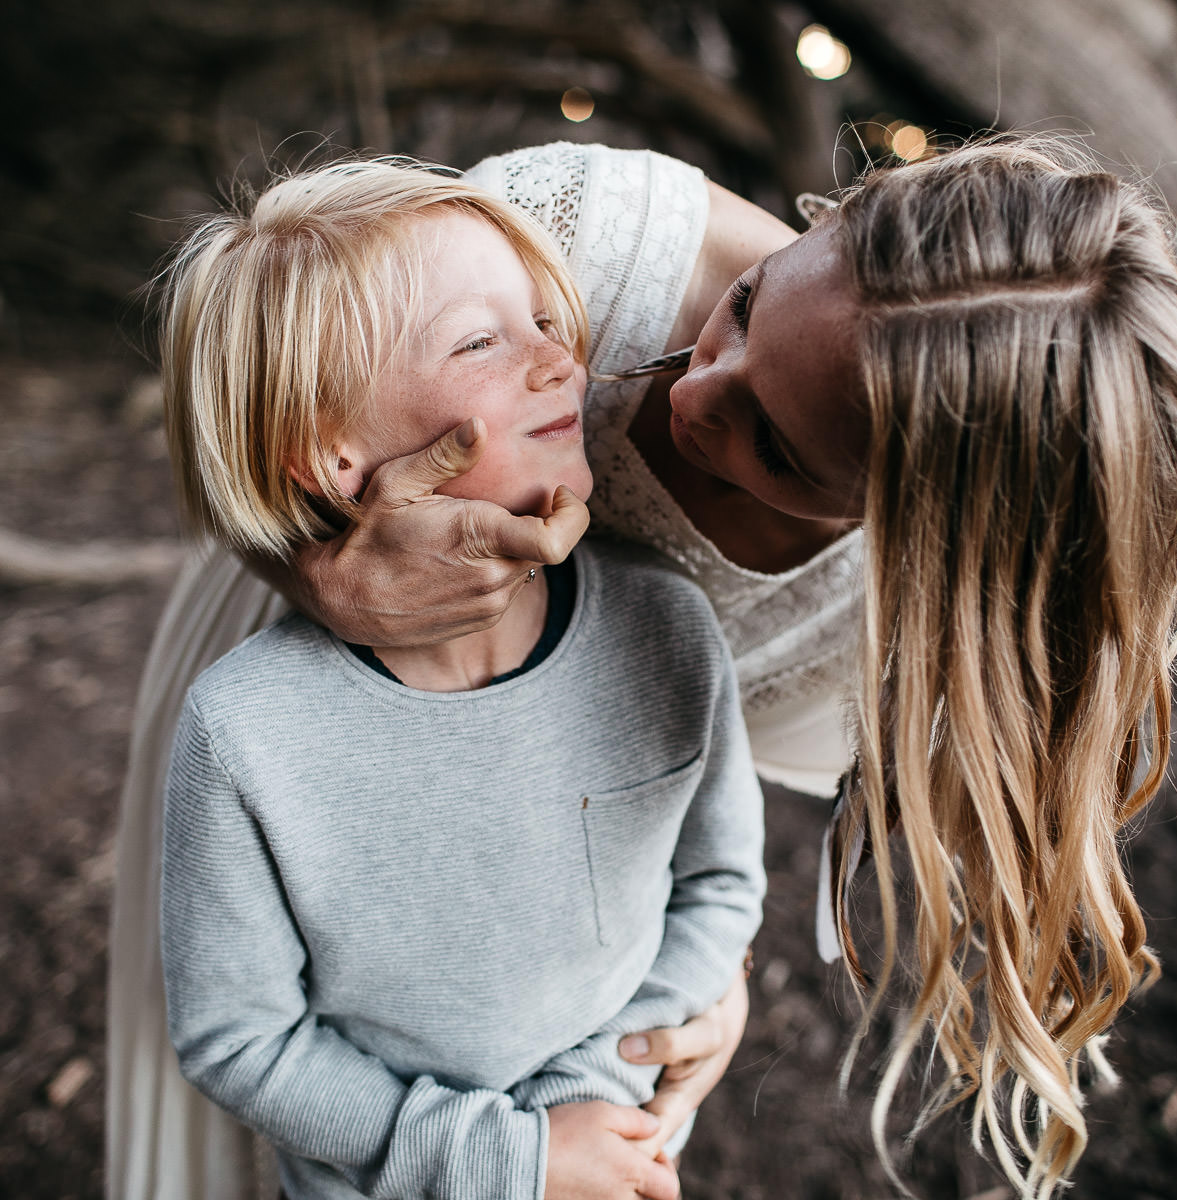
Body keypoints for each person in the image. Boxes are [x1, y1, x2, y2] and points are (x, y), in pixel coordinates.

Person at [109, 136, 1177, 1200]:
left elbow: (688, 851)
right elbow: (269, 388)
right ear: (819, 226)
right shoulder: (561, 245)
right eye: (745, 306)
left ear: (917, 530)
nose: (686, 393)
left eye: (776, 447)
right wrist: (318, 568)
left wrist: (692, 996)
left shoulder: (716, 632)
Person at [153, 159, 764, 1200]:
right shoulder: (245, 733)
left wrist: (588, 1110)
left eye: (543, 318)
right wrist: (511, 1161)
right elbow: (237, 1039)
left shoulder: (667, 627)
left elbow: (719, 886)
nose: (558, 362)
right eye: (482, 339)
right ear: (334, 456)